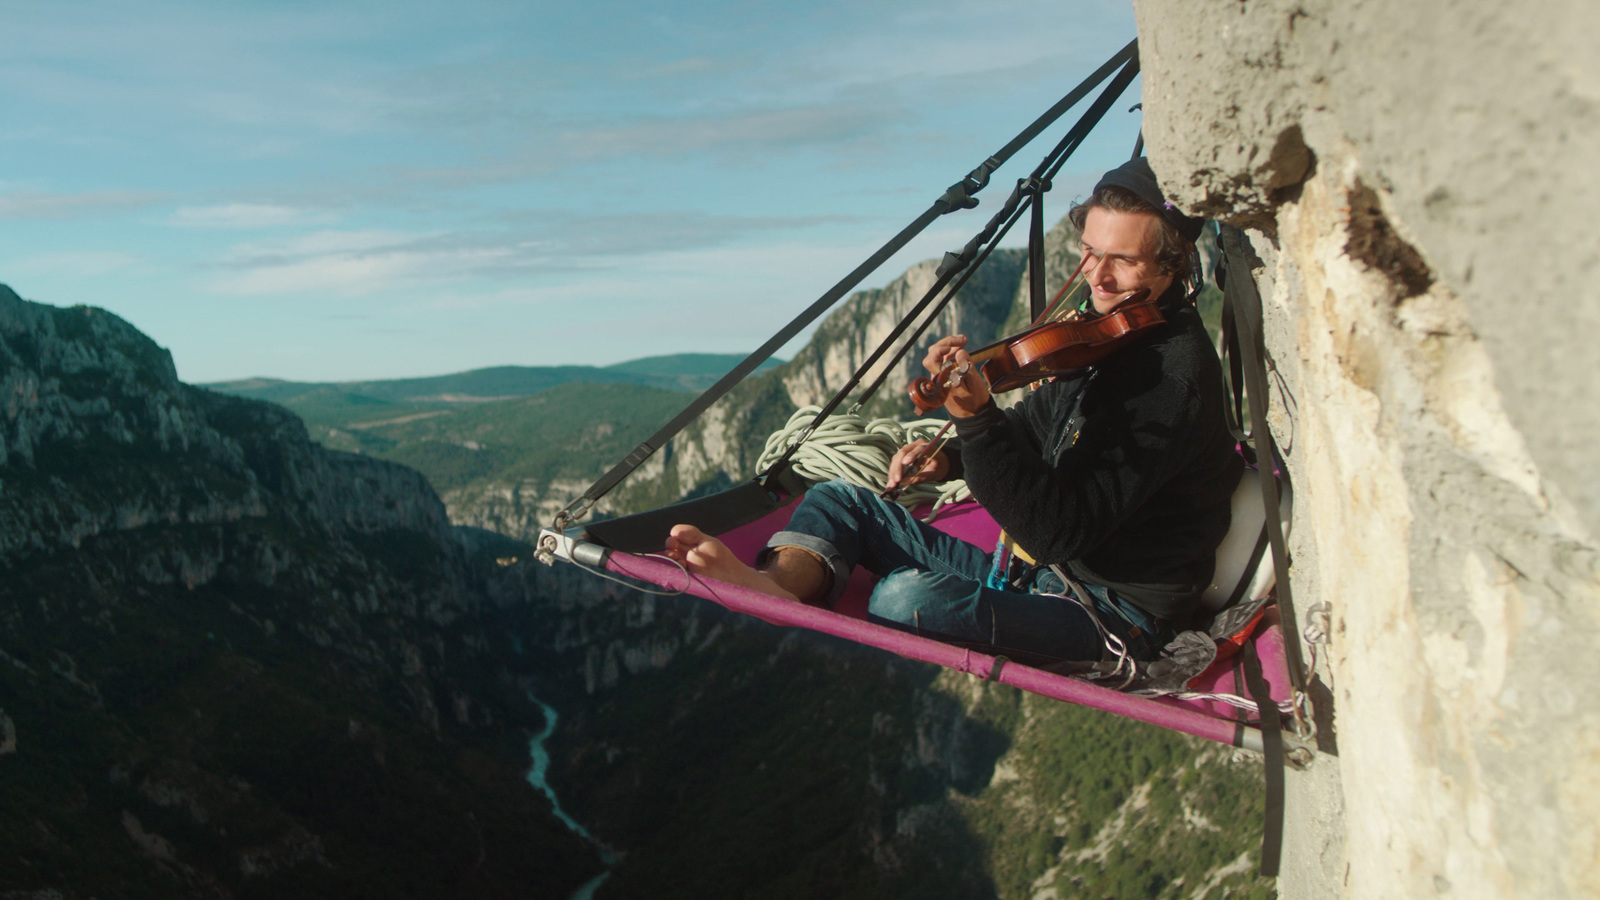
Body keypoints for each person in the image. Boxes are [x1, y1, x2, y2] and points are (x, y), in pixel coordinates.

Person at [666, 158, 1244, 664]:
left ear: (1172, 267)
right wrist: (946, 460)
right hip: (1040, 572)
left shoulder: (1169, 377)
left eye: (1123, 261)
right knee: (835, 499)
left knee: (902, 600)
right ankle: (779, 587)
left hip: (1114, 615)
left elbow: (1053, 531)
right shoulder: (1110, 338)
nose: (1096, 275)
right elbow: (1029, 428)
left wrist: (974, 418)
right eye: (1089, 251)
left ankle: (796, 588)